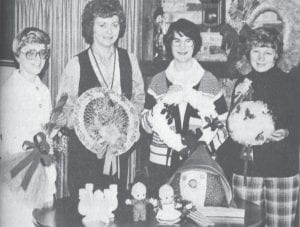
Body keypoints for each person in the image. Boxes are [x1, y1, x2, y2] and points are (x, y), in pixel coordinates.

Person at [56, 0, 145, 198]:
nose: (109, 31)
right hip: (84, 157)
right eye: (102, 24)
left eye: (115, 24)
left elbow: (138, 98)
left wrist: (126, 126)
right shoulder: (76, 64)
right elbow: (62, 111)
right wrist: (86, 126)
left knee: (115, 208)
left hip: (118, 155)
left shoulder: (129, 59)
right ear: (91, 27)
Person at [141, 18, 228, 196]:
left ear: (195, 45)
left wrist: (205, 148)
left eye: (188, 41)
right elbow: (146, 125)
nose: (183, 47)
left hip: (199, 163)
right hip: (161, 164)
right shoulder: (158, 80)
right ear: (169, 44)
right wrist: (165, 99)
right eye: (177, 41)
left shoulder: (209, 80)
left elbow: (223, 123)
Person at [225, 27, 299, 226]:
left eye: (267, 52)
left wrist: (287, 131)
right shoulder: (243, 83)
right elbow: (231, 125)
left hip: (282, 169)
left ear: (276, 55)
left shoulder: (290, 82)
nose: (261, 57)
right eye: (256, 51)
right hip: (246, 170)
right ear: (248, 53)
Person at [0, 27, 56, 227]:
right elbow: (11, 140)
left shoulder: (44, 89)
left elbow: (45, 129)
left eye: (42, 53)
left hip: (43, 168)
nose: (37, 59)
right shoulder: (9, 91)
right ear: (18, 55)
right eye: (30, 53)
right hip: (20, 172)